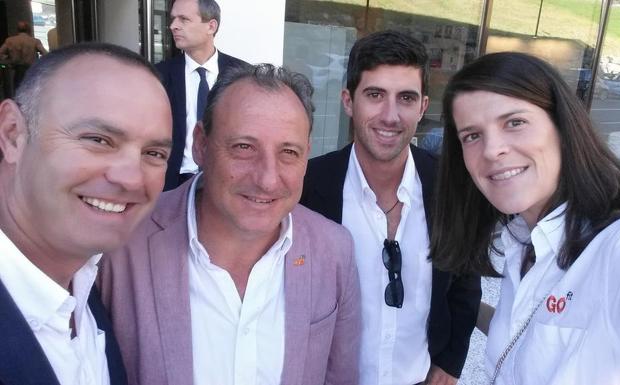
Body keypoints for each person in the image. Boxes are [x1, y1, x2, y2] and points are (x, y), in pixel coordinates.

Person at [98, 63, 361, 385]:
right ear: (201, 145)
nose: (267, 179)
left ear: (306, 156)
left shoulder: (334, 250)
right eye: (244, 148)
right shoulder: (122, 240)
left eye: (288, 152)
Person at [430, 51, 620, 385]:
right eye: (472, 135)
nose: (492, 150)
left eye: (514, 122)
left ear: (562, 127)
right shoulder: (521, 242)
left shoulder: (615, 248)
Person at [300, 30, 481, 385]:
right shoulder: (307, 186)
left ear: (423, 107)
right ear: (348, 101)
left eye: (406, 98)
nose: (390, 115)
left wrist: (450, 362)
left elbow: (465, 282)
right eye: (375, 95)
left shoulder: (452, 186)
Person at [0, 43, 173, 385]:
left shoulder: (86, 284)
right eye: (98, 139)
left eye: (153, 152)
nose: (131, 178)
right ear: (12, 133)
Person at [157, 0, 248, 191]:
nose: (173, 26)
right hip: (173, 183)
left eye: (184, 19)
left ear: (211, 26)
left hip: (227, 180)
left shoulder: (244, 74)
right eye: (173, 19)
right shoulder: (159, 76)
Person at [0, 21, 47, 92]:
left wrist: (7, 60)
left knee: (18, 92)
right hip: (31, 70)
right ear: (28, 29)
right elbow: (45, 53)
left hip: (17, 70)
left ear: (17, 29)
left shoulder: (10, 41)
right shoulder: (34, 41)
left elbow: (0, 53)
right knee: (30, 91)